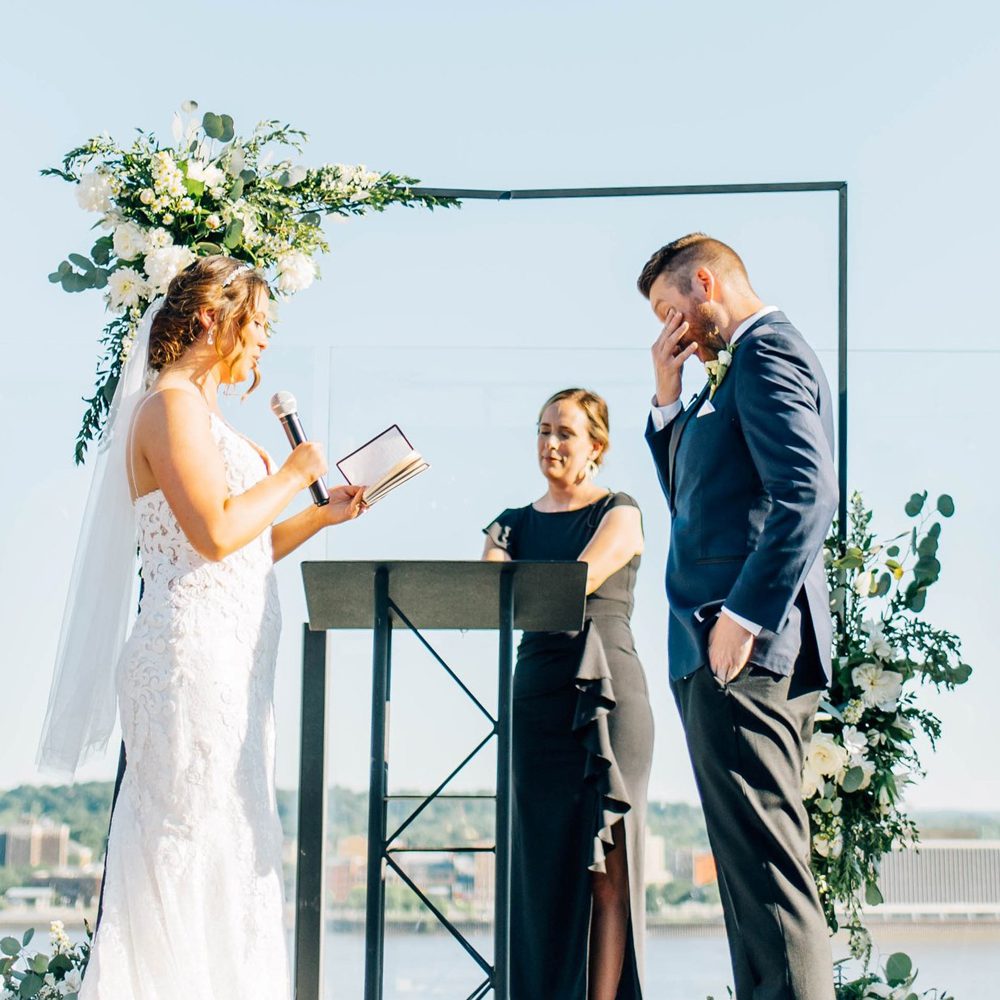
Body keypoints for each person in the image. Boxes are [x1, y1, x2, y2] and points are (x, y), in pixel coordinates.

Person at [41, 256, 366, 1000]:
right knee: (185, 845)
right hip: (189, 661)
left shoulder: (205, 414)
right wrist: (291, 474)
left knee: (230, 843)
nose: (262, 347)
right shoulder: (169, 407)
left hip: (235, 666)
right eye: (257, 327)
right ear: (212, 320)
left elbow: (245, 551)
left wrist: (319, 512)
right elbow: (215, 535)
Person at [638, 234, 837, 999]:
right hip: (715, 650)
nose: (669, 329)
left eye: (669, 309)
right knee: (750, 891)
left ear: (706, 282)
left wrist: (745, 617)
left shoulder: (768, 352)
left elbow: (806, 495)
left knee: (769, 883)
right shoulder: (727, 372)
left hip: (742, 650)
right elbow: (697, 502)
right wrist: (666, 397)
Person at [482, 388, 653, 1000]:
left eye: (566, 434)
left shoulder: (620, 510)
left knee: (607, 868)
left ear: (596, 448)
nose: (550, 443)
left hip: (608, 693)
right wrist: (508, 572)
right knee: (542, 867)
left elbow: (574, 583)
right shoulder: (510, 522)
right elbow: (490, 597)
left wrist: (516, 576)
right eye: (543, 430)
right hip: (536, 699)